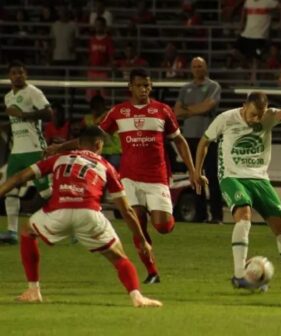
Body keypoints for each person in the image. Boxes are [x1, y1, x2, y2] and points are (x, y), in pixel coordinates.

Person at [47, 68, 197, 284]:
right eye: (139, 85)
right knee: (137, 224)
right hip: (129, 177)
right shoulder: (118, 112)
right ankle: (152, 272)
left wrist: (193, 171)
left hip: (157, 177)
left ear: (151, 86)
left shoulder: (162, 110)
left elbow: (179, 140)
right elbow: (92, 137)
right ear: (130, 87)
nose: (143, 89)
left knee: (163, 226)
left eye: (147, 85)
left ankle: (165, 222)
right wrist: (60, 148)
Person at [1, 126, 161, 307]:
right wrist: (141, 240)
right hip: (89, 214)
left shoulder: (59, 158)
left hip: (57, 213)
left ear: (79, 143)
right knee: (119, 257)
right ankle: (136, 297)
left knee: (27, 231)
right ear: (98, 144)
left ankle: (33, 290)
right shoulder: (105, 165)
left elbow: (19, 177)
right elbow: (127, 210)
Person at [193, 91, 281, 294]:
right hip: (232, 177)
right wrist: (197, 171)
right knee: (244, 216)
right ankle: (239, 275)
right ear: (244, 105)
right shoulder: (226, 119)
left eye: (260, 115)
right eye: (254, 114)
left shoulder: (270, 116)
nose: (257, 119)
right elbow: (204, 142)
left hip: (260, 179)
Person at [0, 61, 52, 244]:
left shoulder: (33, 92)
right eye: (14, 73)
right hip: (17, 152)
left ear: (26, 74)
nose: (18, 76)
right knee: (10, 190)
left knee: (46, 192)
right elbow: (16, 124)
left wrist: (24, 115)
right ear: (9, 76)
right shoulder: (8, 97)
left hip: (35, 149)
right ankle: (11, 232)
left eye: (21, 72)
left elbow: (49, 114)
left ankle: (70, 227)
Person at [174, 57, 223, 224]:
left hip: (208, 138)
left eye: (200, 66)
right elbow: (176, 112)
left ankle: (216, 216)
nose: (197, 69)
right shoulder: (185, 88)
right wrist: (197, 109)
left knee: (212, 176)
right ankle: (200, 215)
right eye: (194, 66)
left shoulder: (213, 86)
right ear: (191, 69)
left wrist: (188, 110)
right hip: (189, 138)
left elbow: (208, 106)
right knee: (195, 177)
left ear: (206, 67)